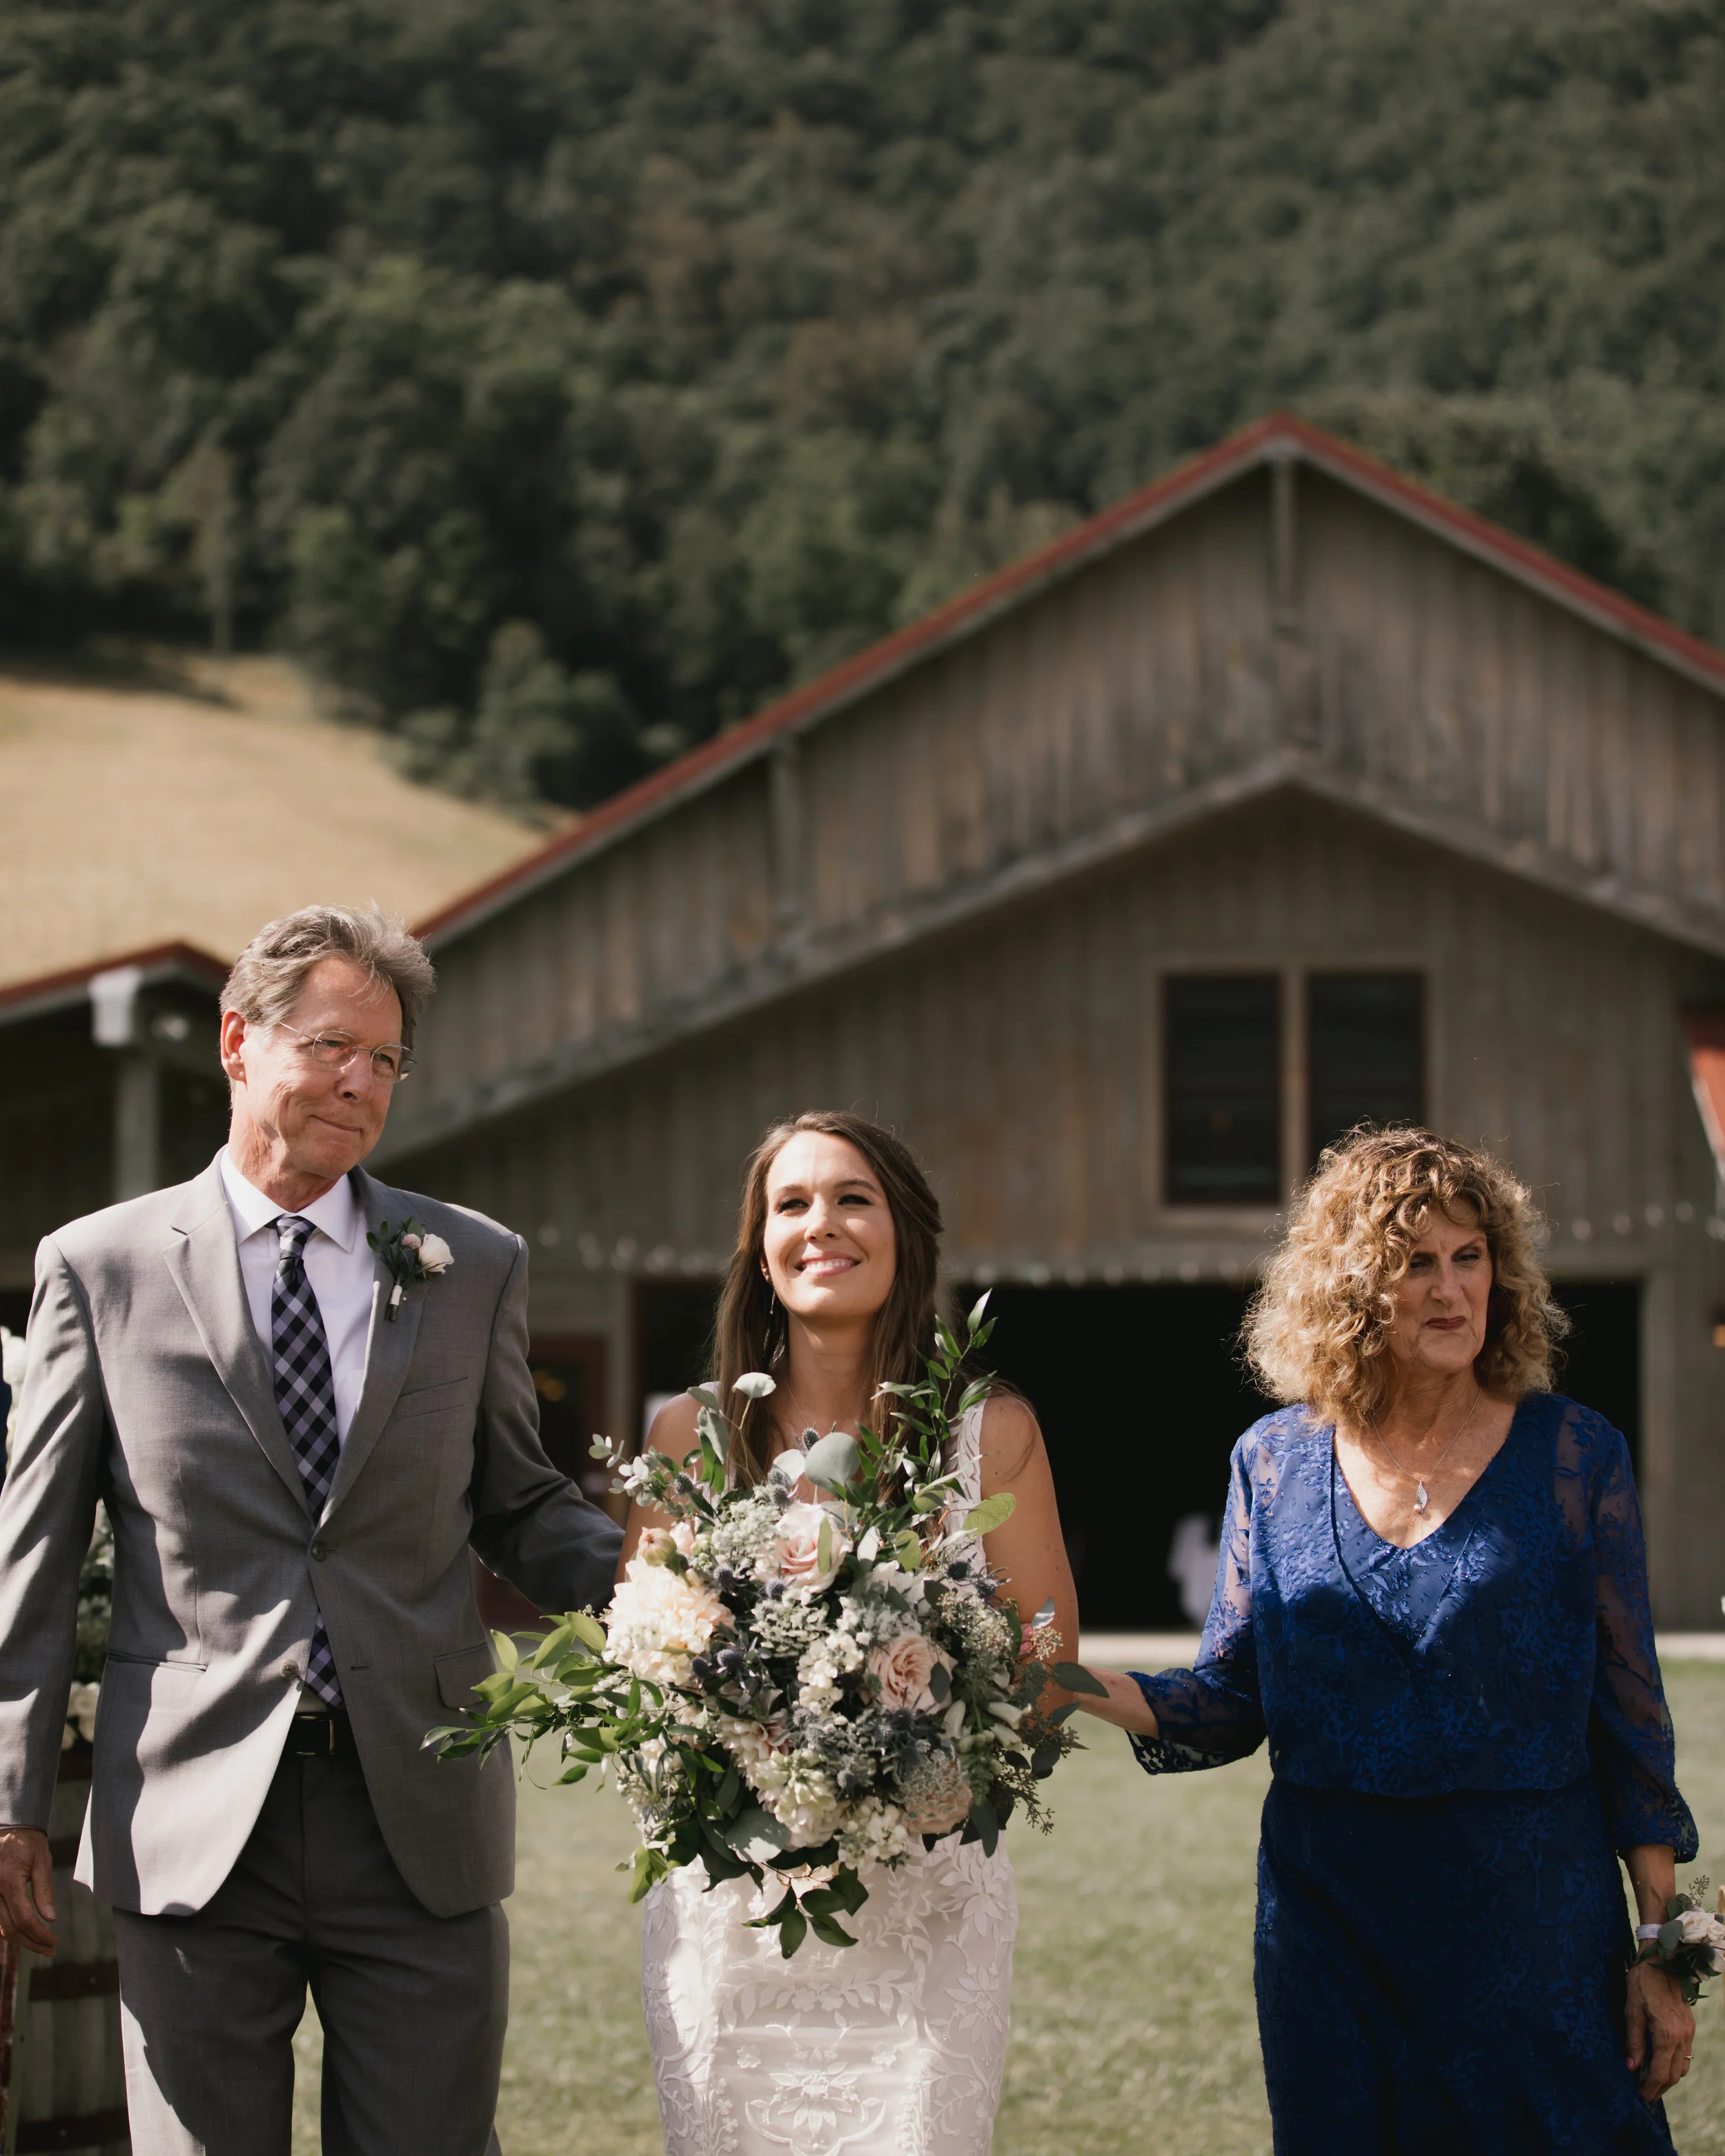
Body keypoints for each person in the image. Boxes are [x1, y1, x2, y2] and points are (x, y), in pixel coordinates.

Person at [0, 904, 622, 2156]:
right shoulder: (99, 1267)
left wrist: (682, 1590)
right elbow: (36, 1560)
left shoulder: (472, 1263)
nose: (360, 1081)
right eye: (332, 1045)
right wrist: (10, 1802)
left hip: (420, 1816)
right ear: (238, 1041)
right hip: (190, 1820)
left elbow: (519, 1503)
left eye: (385, 1059)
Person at [1072, 1127, 1697, 2154]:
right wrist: (1059, 1681)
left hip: (1535, 1923)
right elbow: (1229, 1700)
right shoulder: (1272, 1462)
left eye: (1470, 1257)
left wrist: (1661, 1952)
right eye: (1415, 1263)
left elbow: (1633, 1723)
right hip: (1331, 1932)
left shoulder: (1576, 1455)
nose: (1451, 1290)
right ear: (1354, 1288)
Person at [622, 1109, 1079, 2156]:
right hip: (735, 1914)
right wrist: (759, 1751)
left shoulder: (990, 1434)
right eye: (791, 1204)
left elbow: (1047, 1674)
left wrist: (903, 1757)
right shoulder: (690, 1435)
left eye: (851, 1199)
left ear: (904, 1233)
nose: (820, 1224)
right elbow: (645, 1670)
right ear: (762, 1252)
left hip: (927, 1917)